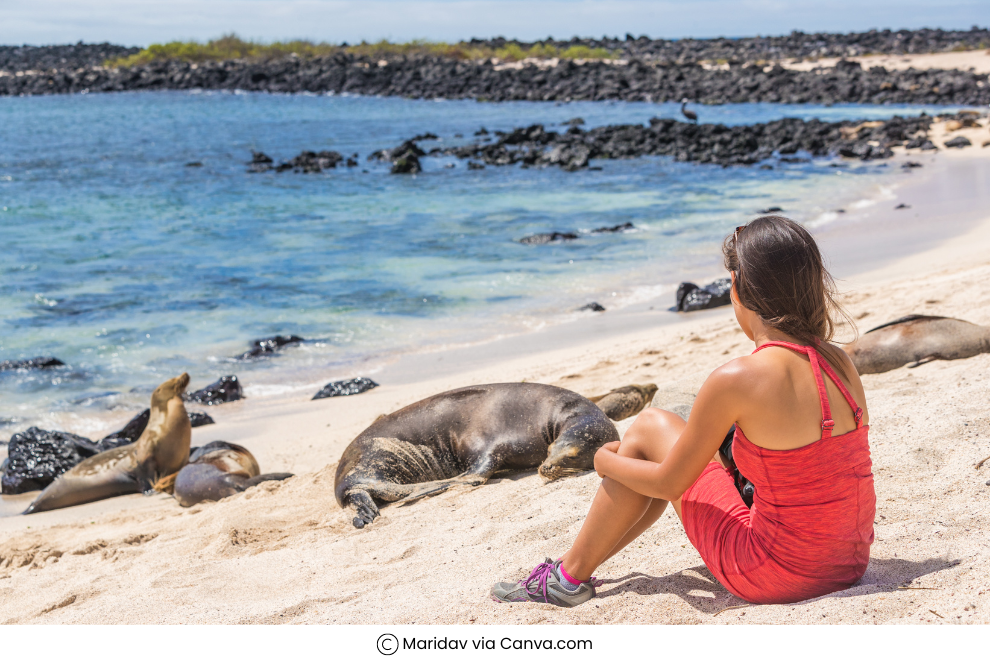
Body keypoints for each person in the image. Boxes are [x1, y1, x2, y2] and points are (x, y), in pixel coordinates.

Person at [491, 215, 875, 607]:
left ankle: (568, 577)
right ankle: (571, 572)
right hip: (847, 564)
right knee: (665, 438)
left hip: (775, 575)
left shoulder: (738, 378)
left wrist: (603, 460)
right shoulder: (838, 362)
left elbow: (667, 485)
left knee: (648, 429)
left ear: (739, 290)